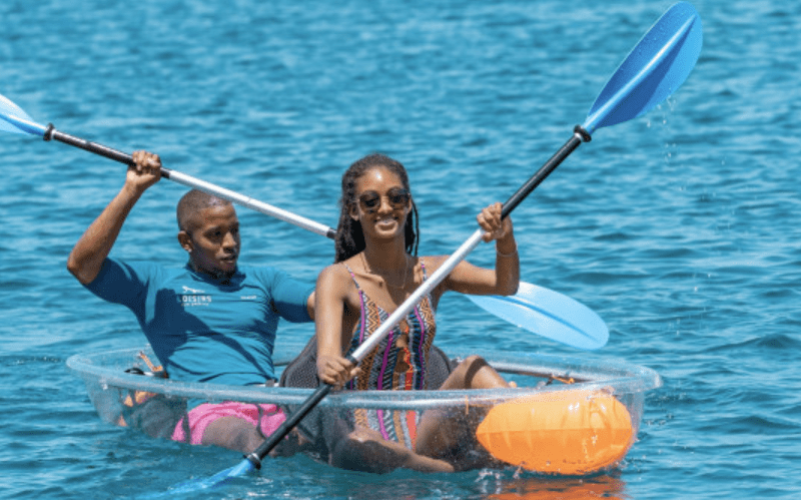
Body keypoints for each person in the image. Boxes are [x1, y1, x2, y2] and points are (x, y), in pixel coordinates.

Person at [67, 151, 315, 455]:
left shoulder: (266, 281)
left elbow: (329, 305)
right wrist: (133, 190)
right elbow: (82, 266)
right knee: (246, 438)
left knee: (336, 439)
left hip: (274, 402)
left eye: (235, 230)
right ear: (187, 242)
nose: (231, 243)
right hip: (211, 413)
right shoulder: (155, 286)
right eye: (216, 235)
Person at [309, 153, 520, 473]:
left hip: (427, 425)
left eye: (396, 197)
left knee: (473, 367)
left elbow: (505, 285)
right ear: (354, 210)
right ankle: (451, 467)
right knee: (356, 449)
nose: (385, 207)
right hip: (370, 433)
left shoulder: (435, 272)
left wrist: (504, 239)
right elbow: (324, 357)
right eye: (370, 201)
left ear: (408, 204)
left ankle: (525, 426)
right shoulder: (336, 279)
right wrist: (331, 368)